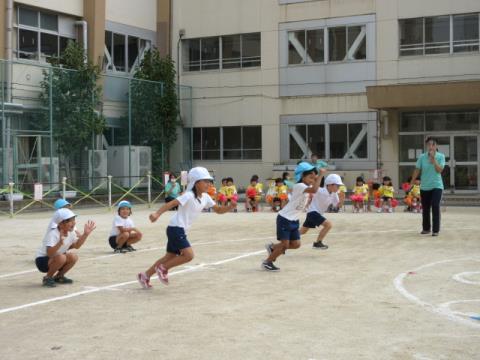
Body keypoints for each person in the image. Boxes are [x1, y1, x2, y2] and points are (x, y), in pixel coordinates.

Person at [137, 167, 236, 289]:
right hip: (176, 228)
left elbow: (219, 210)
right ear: (195, 182)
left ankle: (145, 275)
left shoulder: (206, 197)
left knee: (169, 257)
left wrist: (230, 207)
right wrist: (157, 214)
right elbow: (171, 203)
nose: (208, 184)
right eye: (205, 181)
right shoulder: (188, 195)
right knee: (189, 255)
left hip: (179, 229)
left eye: (209, 181)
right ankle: (163, 268)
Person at [262, 162, 324, 271]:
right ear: (302, 176)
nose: (312, 180)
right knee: (285, 244)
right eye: (310, 177)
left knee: (296, 244)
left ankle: (272, 247)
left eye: (313, 178)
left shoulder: (306, 186)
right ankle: (268, 262)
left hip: (294, 220)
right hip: (285, 219)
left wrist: (316, 176)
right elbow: (314, 189)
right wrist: (321, 175)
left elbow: (314, 186)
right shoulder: (299, 186)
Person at [35, 208, 96, 287]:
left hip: (56, 258)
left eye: (73, 220)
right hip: (42, 260)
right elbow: (49, 253)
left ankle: (59, 276)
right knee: (62, 257)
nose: (73, 223)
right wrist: (60, 243)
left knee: (73, 257)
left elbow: (77, 245)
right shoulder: (53, 234)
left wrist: (85, 234)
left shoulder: (72, 232)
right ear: (60, 224)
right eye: (69, 221)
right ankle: (47, 277)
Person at [409, 137, 445, 236]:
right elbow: (417, 170)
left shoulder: (441, 156)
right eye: (429, 144)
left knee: (435, 205)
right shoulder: (422, 157)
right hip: (424, 186)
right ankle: (426, 228)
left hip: (437, 186)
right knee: (425, 208)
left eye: (433, 144)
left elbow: (439, 170)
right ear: (426, 146)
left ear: (436, 146)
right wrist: (411, 182)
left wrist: (434, 160)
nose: (431, 146)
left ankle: (435, 230)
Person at [300, 174, 343, 249]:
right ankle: (318, 243)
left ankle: (285, 241)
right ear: (330, 185)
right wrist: (314, 179)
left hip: (315, 213)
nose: (338, 187)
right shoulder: (320, 190)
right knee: (328, 225)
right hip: (312, 212)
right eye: (337, 185)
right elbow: (312, 187)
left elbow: (336, 206)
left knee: (302, 231)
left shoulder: (334, 194)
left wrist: (341, 200)